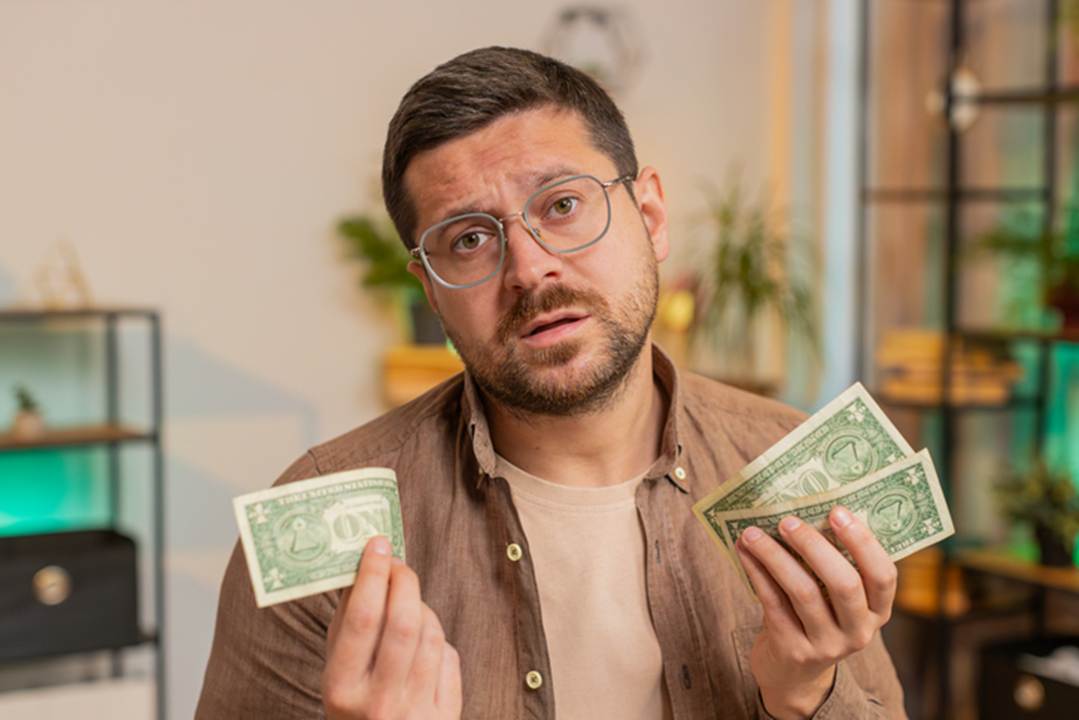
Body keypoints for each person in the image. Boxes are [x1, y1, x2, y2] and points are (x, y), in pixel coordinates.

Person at [196, 46, 906, 720]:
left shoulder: (782, 459)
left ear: (650, 217)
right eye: (469, 239)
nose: (529, 268)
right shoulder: (318, 529)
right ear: (431, 291)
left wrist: (808, 691)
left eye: (562, 205)